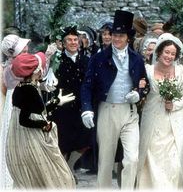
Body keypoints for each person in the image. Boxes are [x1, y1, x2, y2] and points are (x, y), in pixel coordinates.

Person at [80, 10, 149, 189]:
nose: (117, 39)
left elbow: (143, 83)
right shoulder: (98, 59)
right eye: (115, 35)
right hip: (107, 110)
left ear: (128, 37)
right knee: (106, 160)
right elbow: (87, 85)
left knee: (132, 158)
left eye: (121, 35)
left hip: (130, 113)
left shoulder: (137, 59)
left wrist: (138, 94)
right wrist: (87, 109)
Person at [5, 52, 76, 189]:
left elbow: (37, 111)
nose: (43, 70)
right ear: (36, 70)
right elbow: (24, 120)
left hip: (23, 138)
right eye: (41, 67)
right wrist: (45, 124)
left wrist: (57, 102)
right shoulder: (28, 90)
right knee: (55, 176)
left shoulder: (23, 87)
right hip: (30, 140)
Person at [136, 33, 183, 189]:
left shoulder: (180, 71)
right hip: (153, 122)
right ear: (159, 52)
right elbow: (141, 92)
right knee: (153, 160)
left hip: (174, 122)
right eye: (167, 52)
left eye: (173, 54)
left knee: (174, 163)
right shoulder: (147, 70)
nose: (169, 56)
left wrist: (174, 105)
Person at [48, 25, 94, 178]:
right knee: (63, 142)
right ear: (64, 43)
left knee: (85, 140)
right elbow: (50, 84)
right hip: (63, 106)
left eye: (75, 39)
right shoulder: (57, 61)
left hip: (82, 106)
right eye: (69, 40)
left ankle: (70, 166)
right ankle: (63, 173)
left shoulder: (87, 61)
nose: (73, 42)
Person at [0, 34, 30, 189]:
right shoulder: (13, 68)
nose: (27, 49)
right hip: (14, 109)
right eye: (23, 49)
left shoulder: (13, 66)